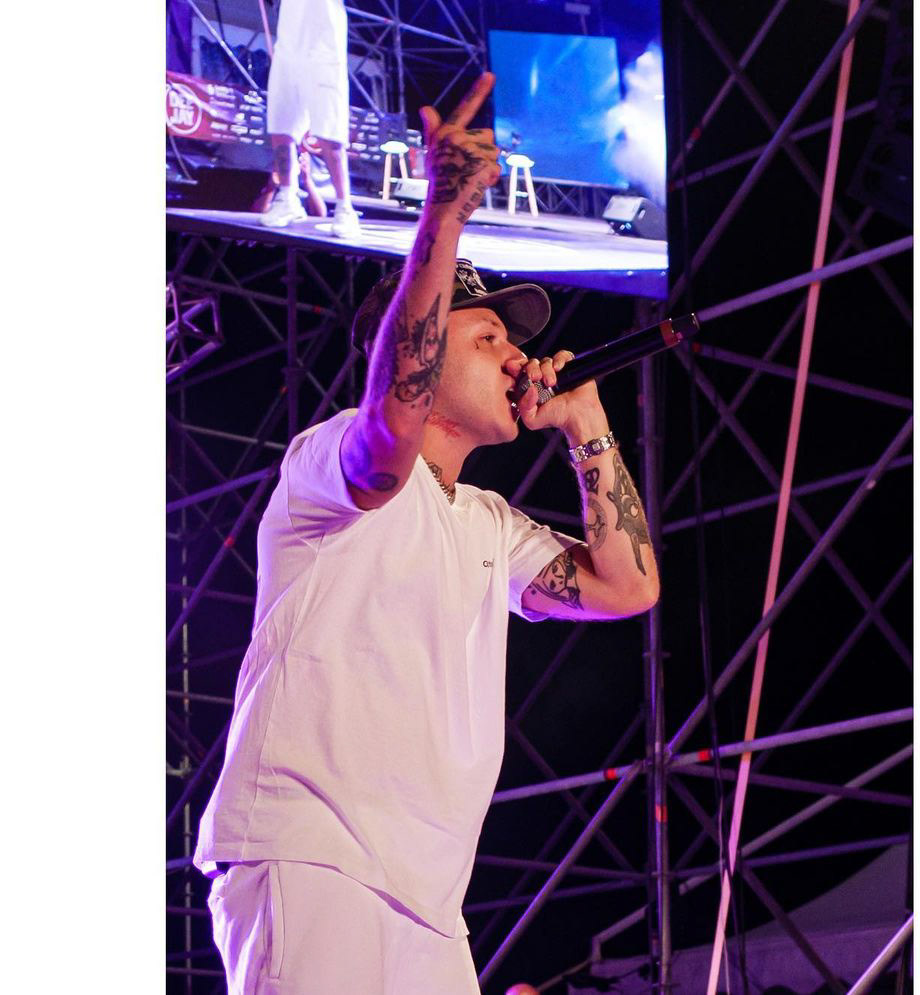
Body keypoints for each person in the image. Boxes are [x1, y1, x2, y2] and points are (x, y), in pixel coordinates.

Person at [194, 72, 660, 994]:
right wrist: (444, 211)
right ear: (420, 353)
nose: (518, 358)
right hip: (313, 857)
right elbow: (390, 432)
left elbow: (627, 586)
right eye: (489, 339)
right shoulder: (333, 461)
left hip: (431, 906)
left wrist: (586, 419)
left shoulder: (489, 524)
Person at [260, 0, 360, 237]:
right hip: (288, 48)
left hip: (325, 51)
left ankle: (345, 208)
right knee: (281, 126)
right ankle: (287, 197)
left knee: (330, 133)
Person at [250, 147, 327, 217]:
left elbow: (320, 214)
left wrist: (307, 180)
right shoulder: (273, 187)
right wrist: (271, 187)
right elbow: (257, 212)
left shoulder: (304, 188)